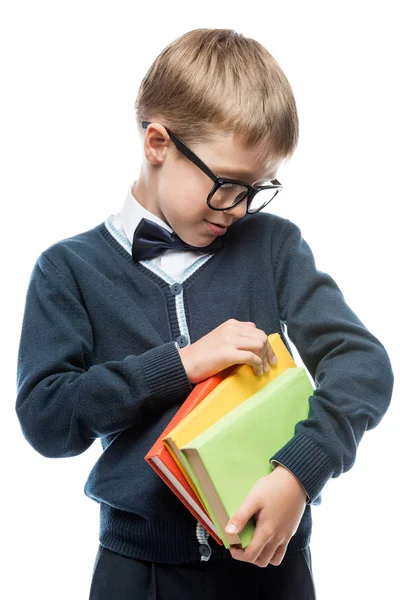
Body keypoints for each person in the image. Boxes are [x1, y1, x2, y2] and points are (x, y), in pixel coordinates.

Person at [15, 28, 394, 599]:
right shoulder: (68, 269)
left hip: (271, 567)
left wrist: (299, 470)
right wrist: (181, 364)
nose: (238, 210)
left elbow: (363, 363)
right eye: (226, 186)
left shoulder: (274, 248)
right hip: (134, 574)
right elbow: (47, 419)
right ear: (158, 144)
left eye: (255, 189)